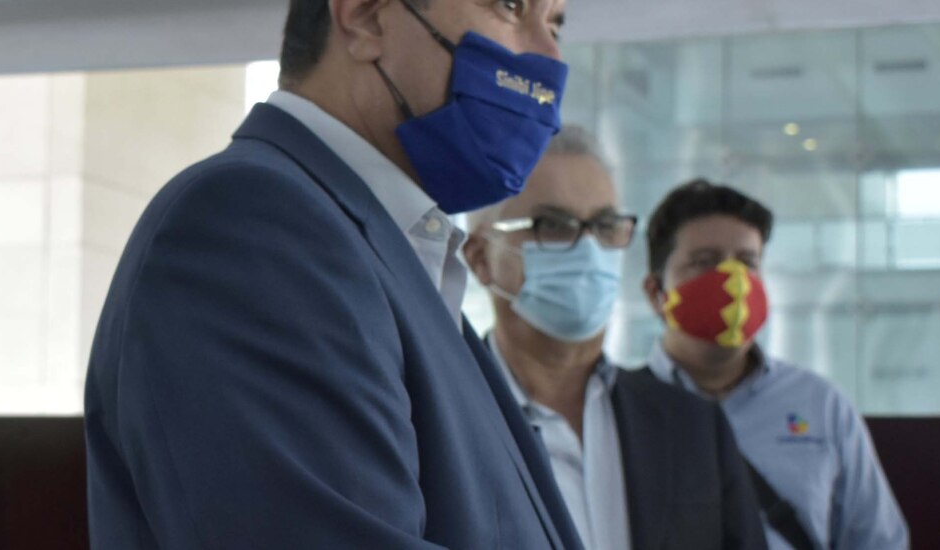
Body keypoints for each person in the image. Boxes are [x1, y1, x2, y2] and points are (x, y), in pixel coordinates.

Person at [84, 0, 583, 547]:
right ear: (366, 16)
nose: (550, 54)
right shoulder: (254, 224)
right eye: (512, 6)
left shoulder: (390, 255)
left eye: (555, 22)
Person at [463, 127, 767, 550]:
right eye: (553, 225)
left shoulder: (694, 428)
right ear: (480, 258)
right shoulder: (436, 420)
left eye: (605, 226)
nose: (588, 249)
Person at [640, 180, 909, 550]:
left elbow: (877, 541)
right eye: (705, 262)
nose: (733, 282)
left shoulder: (820, 405)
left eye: (747, 263)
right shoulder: (621, 406)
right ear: (656, 293)